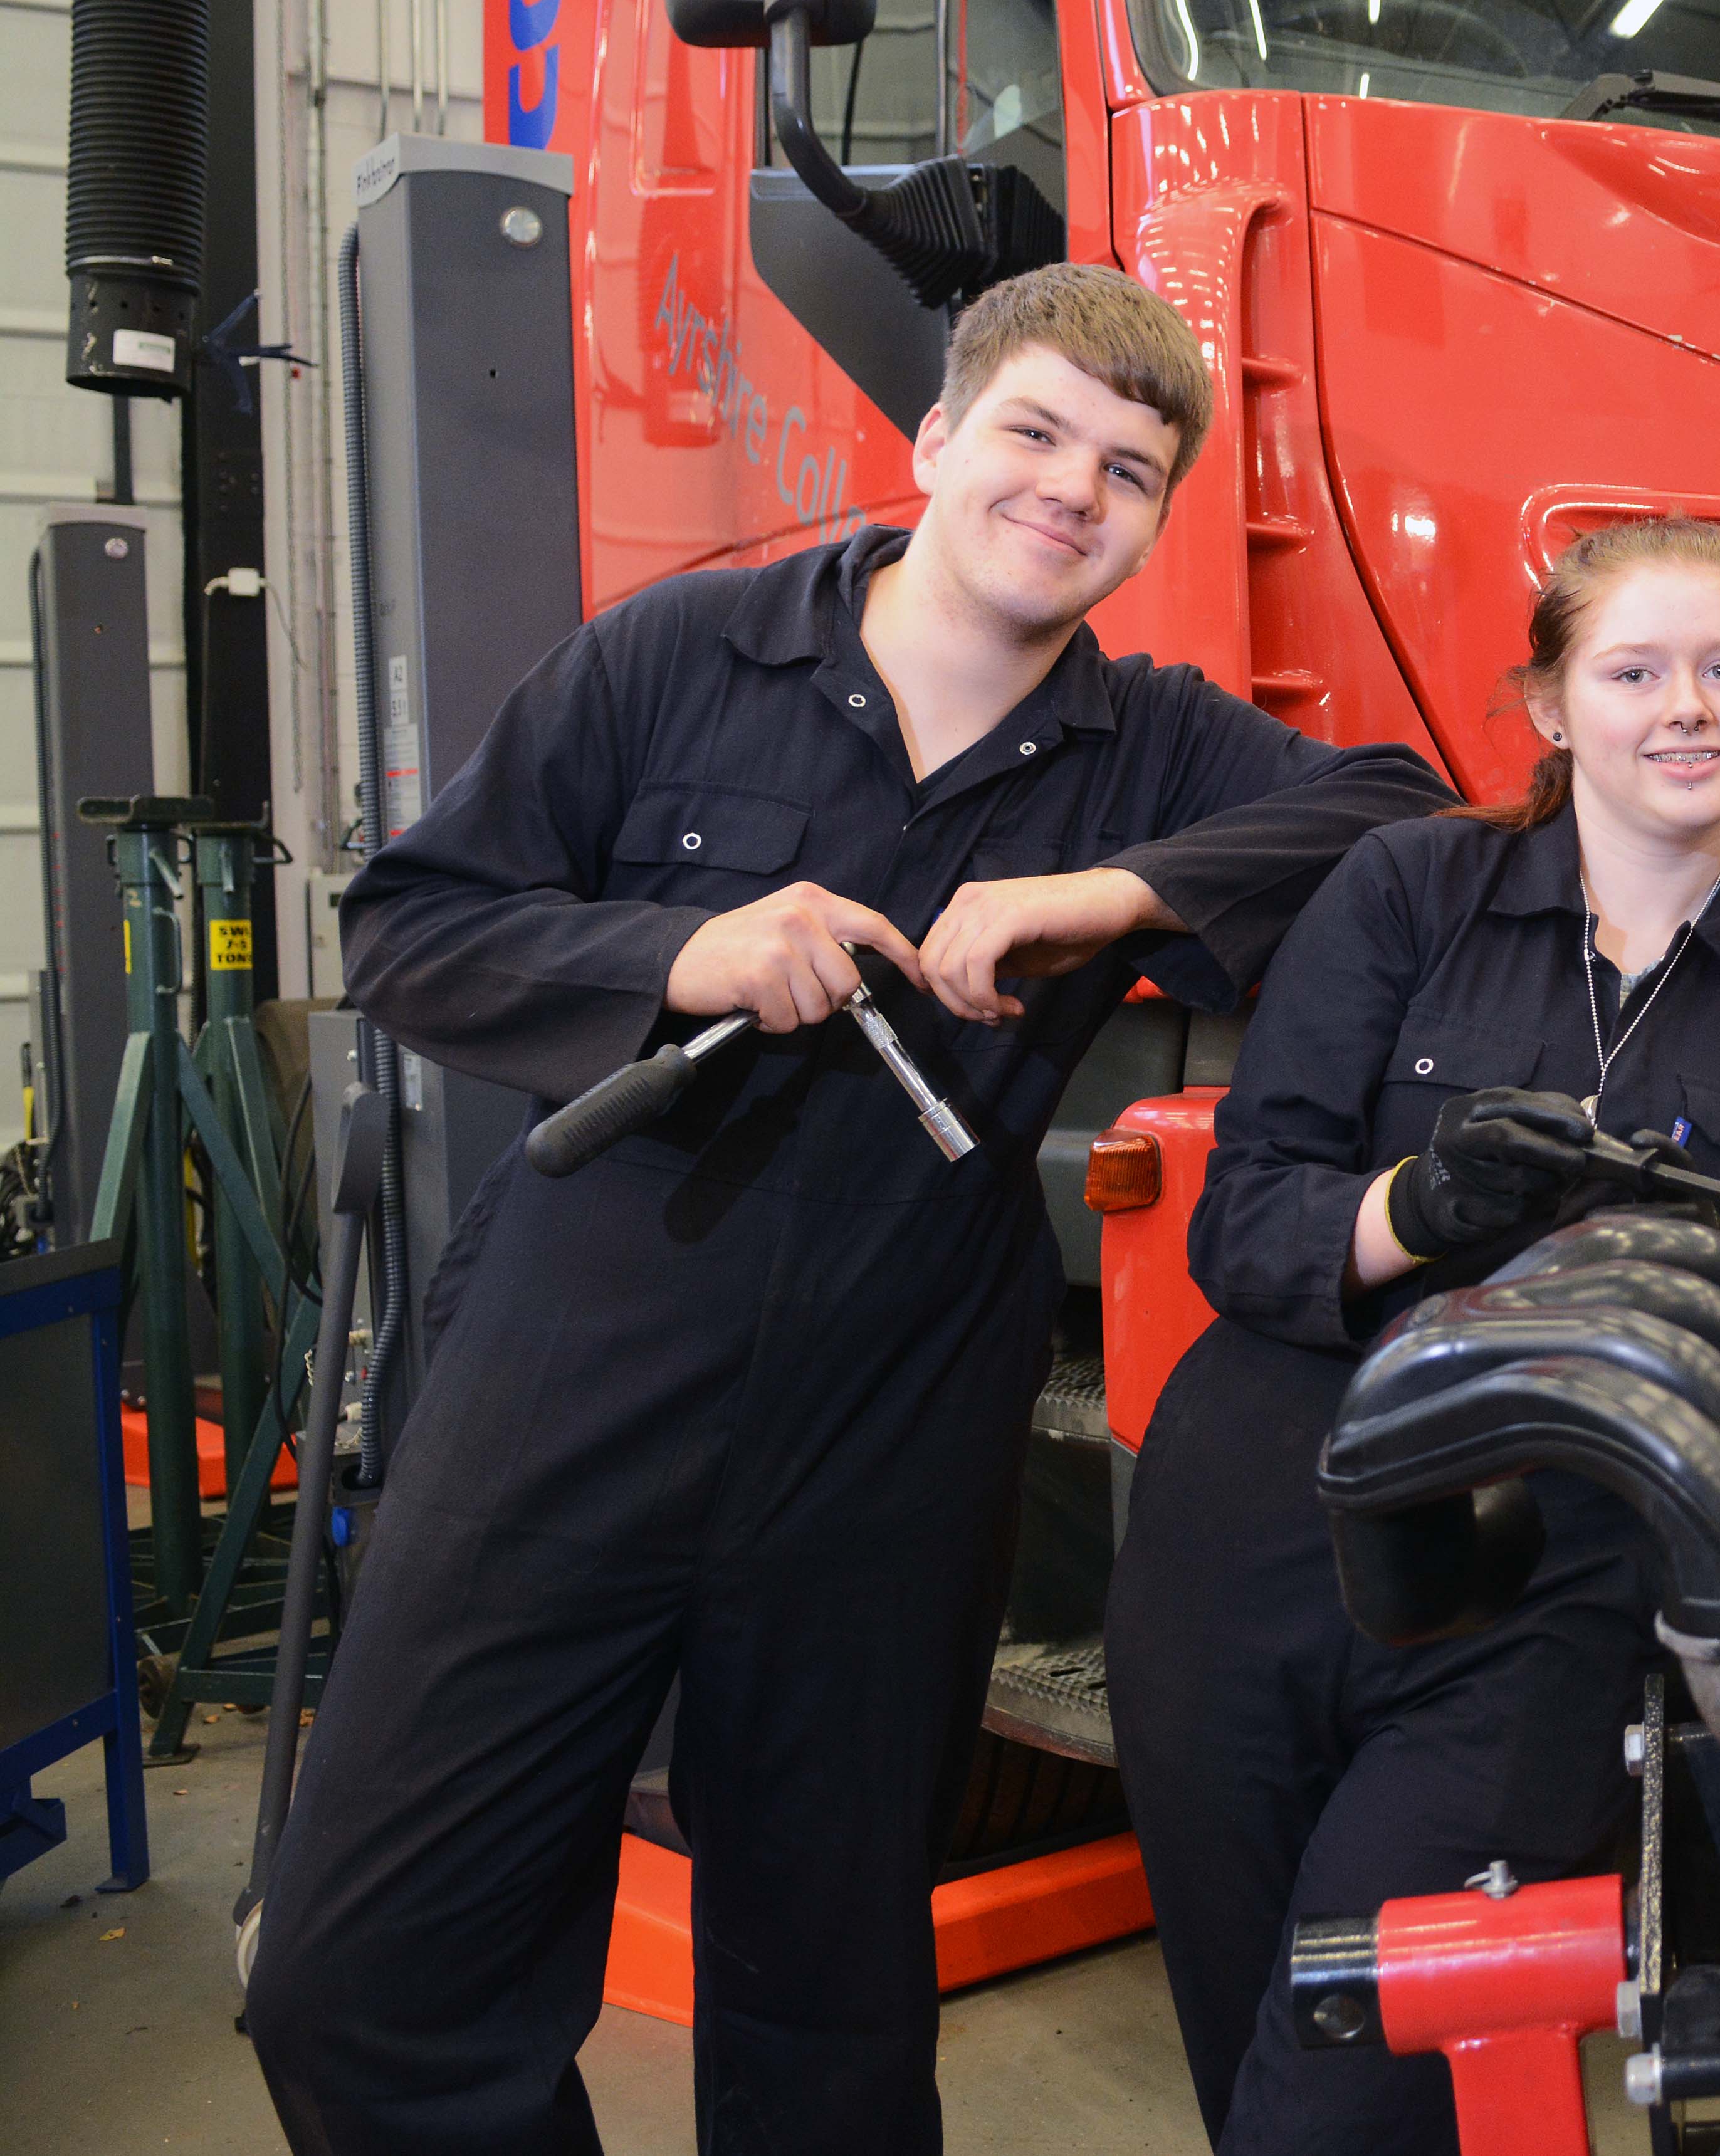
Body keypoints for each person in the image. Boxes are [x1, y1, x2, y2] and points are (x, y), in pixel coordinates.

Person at [244, 264, 1451, 2156]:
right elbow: (411, 924)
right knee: (365, 1967)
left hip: (892, 1413)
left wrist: (1114, 892)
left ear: (1152, 525)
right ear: (935, 441)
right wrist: (687, 948)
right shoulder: (676, 656)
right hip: (581, 1368)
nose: (1071, 490)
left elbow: (1413, 818)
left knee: (832, 2001)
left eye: (1129, 471)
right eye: (1035, 433)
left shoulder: (1152, 743)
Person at [1103, 516, 1720, 2155]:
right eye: (1633, 670)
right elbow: (1245, 1221)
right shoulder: (1408, 888)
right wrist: (1418, 1207)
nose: (1686, 708)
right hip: (1253, 1532)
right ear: (1549, 704)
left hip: (1545, 1587)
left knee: (1351, 2086)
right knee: (1251, 2071)